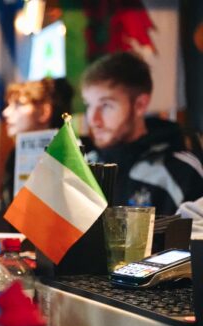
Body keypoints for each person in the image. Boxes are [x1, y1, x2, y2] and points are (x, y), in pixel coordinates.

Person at [81, 51, 203, 216]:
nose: (93, 120)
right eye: (89, 105)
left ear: (140, 105)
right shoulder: (85, 166)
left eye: (106, 106)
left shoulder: (182, 170)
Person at [1, 77, 74, 208]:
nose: (6, 112)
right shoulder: (14, 155)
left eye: (19, 104)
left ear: (44, 112)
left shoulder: (71, 154)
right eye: (8, 105)